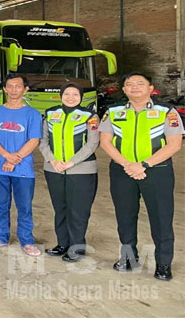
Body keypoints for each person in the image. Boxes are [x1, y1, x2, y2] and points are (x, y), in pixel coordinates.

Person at [100, 72, 182, 281]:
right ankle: (129, 258)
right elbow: (105, 142)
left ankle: (163, 264)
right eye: (129, 84)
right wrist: (127, 164)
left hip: (157, 171)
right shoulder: (113, 111)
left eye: (140, 83)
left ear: (150, 88)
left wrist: (144, 164)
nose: (134, 87)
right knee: (125, 217)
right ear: (124, 89)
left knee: (161, 218)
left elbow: (174, 144)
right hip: (122, 171)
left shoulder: (166, 111)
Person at [0, 74, 42, 256]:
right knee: (0, 205)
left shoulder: (32, 114)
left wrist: (15, 158)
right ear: (5, 89)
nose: (14, 90)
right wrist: (6, 156)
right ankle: (0, 237)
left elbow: (34, 140)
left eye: (18, 86)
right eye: (10, 86)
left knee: (24, 207)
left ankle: (27, 241)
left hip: (23, 169)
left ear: (25, 89)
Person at [39, 82, 99, 263]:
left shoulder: (90, 116)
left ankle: (77, 248)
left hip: (82, 170)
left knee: (78, 210)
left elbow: (92, 143)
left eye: (75, 94)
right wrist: (53, 160)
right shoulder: (51, 114)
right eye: (67, 94)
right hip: (54, 169)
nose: (70, 97)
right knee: (60, 209)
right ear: (61, 95)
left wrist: (71, 162)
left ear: (81, 97)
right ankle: (62, 244)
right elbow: (43, 141)